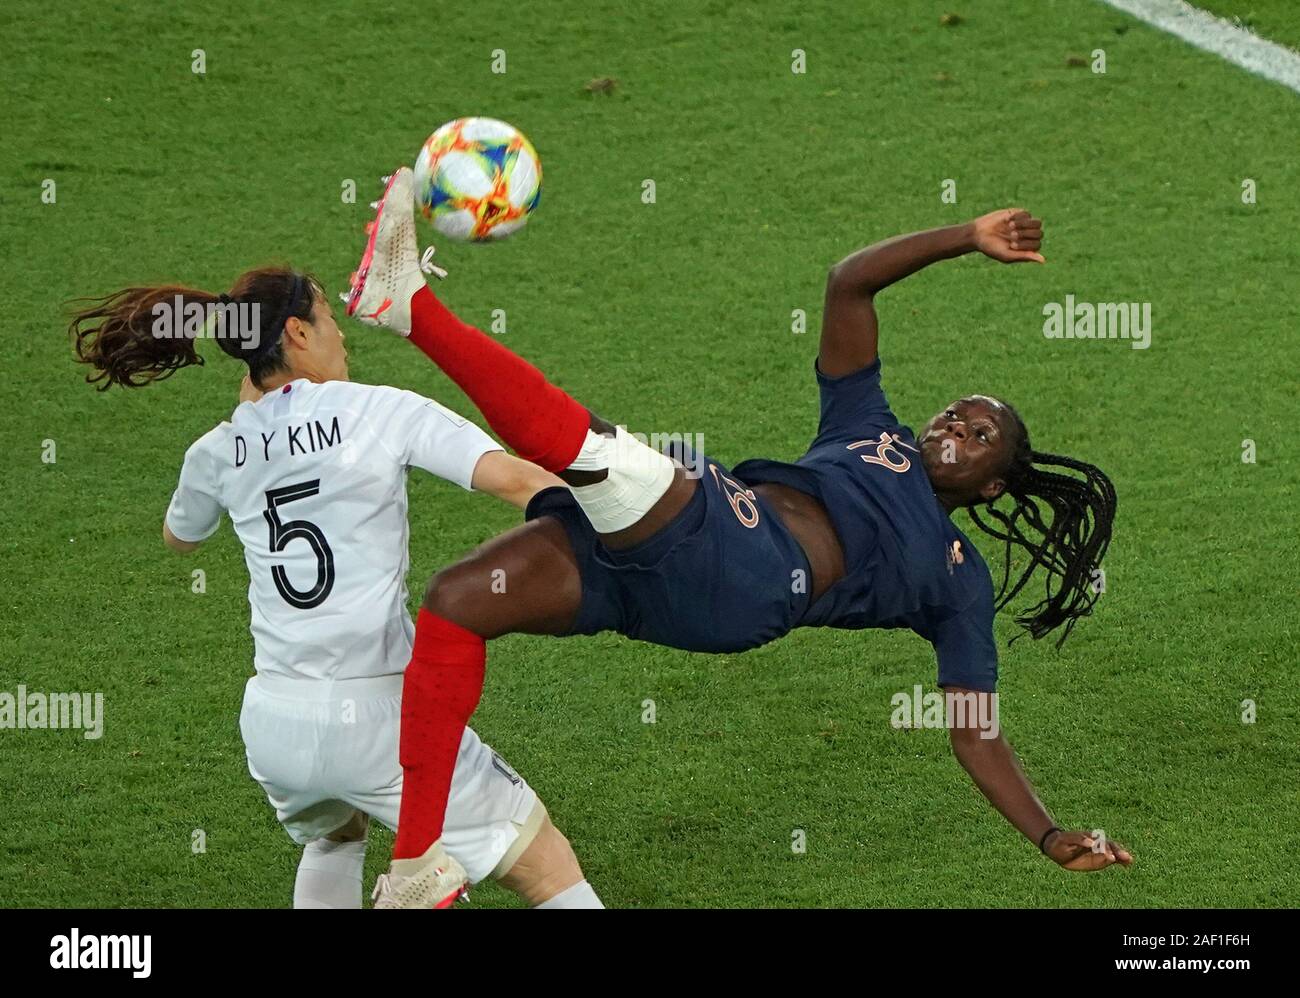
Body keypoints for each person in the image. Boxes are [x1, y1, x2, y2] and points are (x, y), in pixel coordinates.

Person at [346, 170, 1132, 907]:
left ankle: (407, 306)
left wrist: (1049, 833)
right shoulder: (868, 425)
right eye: (955, 412)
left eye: (981, 431)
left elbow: (976, 732)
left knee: (606, 459)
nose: (956, 425)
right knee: (457, 603)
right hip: (680, 555)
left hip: (747, 576)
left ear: (994, 483)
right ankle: (416, 867)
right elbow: (848, 283)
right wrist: (965, 235)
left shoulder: (959, 580)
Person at [70, 267, 603, 909]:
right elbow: (521, 482)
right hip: (378, 717)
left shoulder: (215, 450)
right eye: (329, 319)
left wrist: (254, 427)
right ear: (297, 332)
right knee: (545, 865)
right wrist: (627, 513)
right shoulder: (380, 410)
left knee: (334, 837)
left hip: (277, 725)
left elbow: (179, 537)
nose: (342, 339)